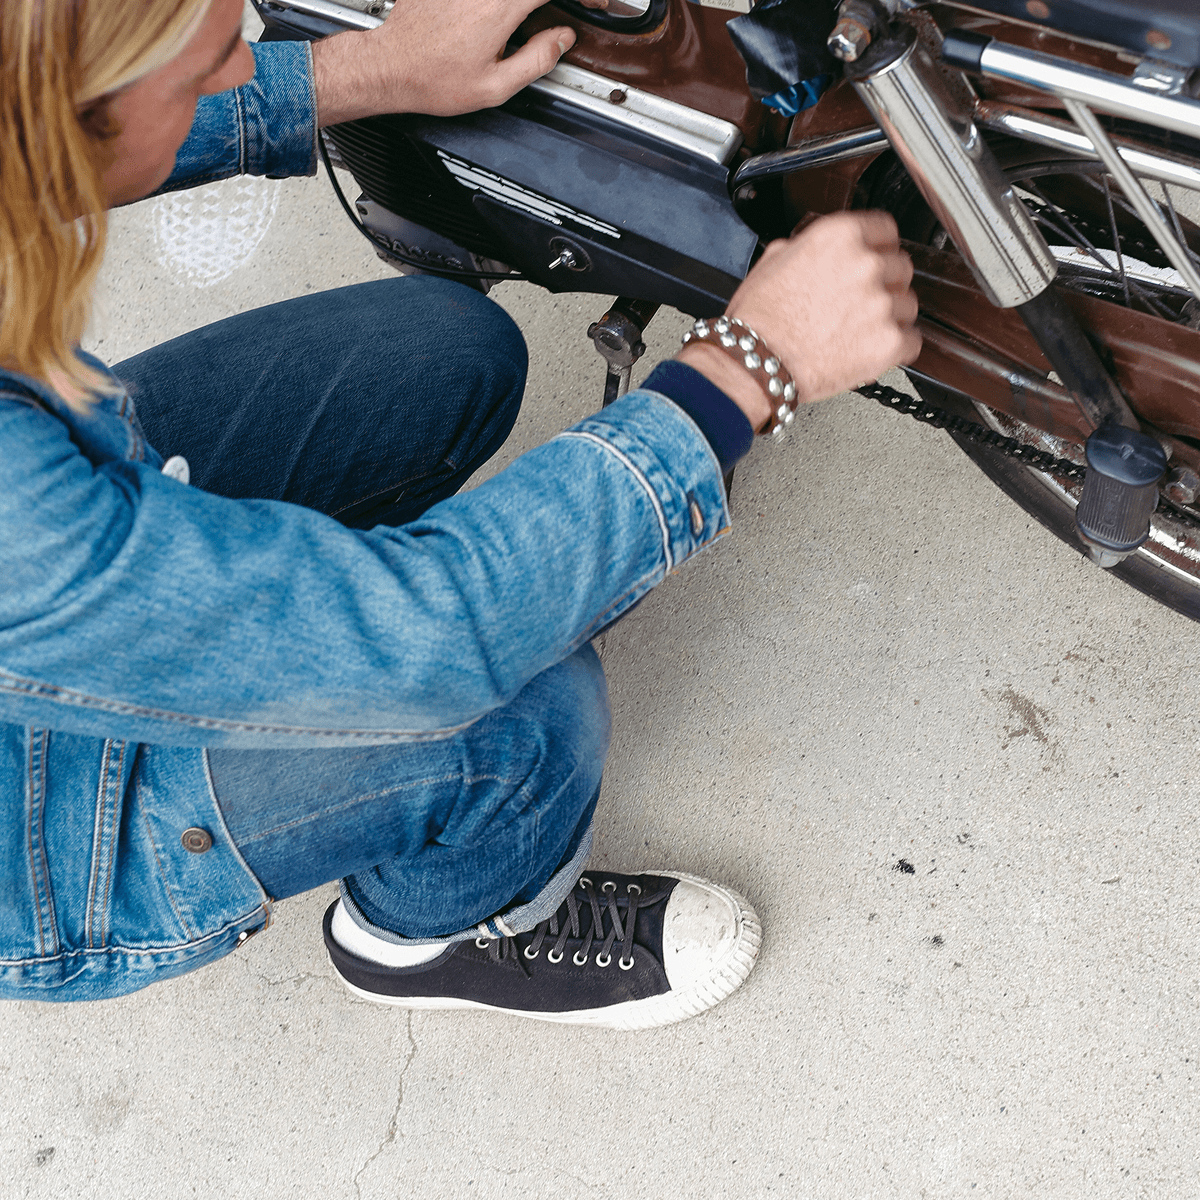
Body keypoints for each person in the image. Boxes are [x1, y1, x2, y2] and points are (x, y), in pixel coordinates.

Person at [0, 0, 920, 1026]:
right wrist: (747, 371)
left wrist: (370, 71)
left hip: (66, 517)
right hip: (56, 825)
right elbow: (419, 639)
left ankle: (271, 620)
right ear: (67, 114)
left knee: (445, 354)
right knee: (526, 703)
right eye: (210, 65)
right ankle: (425, 936)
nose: (240, 71)